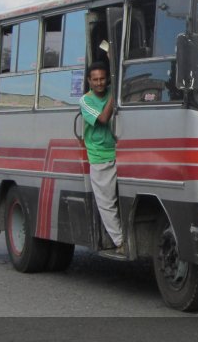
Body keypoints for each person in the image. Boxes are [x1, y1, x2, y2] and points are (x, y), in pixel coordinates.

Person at [79, 61, 124, 253]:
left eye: (103, 79)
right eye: (95, 79)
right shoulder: (85, 101)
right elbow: (103, 119)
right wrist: (116, 92)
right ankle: (120, 242)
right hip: (99, 157)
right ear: (89, 81)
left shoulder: (112, 90)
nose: (99, 83)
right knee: (107, 203)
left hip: (121, 153)